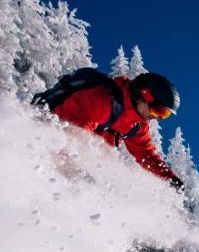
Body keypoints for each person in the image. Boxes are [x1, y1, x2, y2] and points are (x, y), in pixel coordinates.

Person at [31, 68, 183, 188]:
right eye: (158, 111)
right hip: (46, 142)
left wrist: (169, 178)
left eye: (165, 115)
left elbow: (146, 154)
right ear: (144, 95)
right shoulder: (102, 100)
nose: (157, 117)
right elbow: (70, 129)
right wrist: (72, 168)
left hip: (78, 159)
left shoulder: (137, 126)